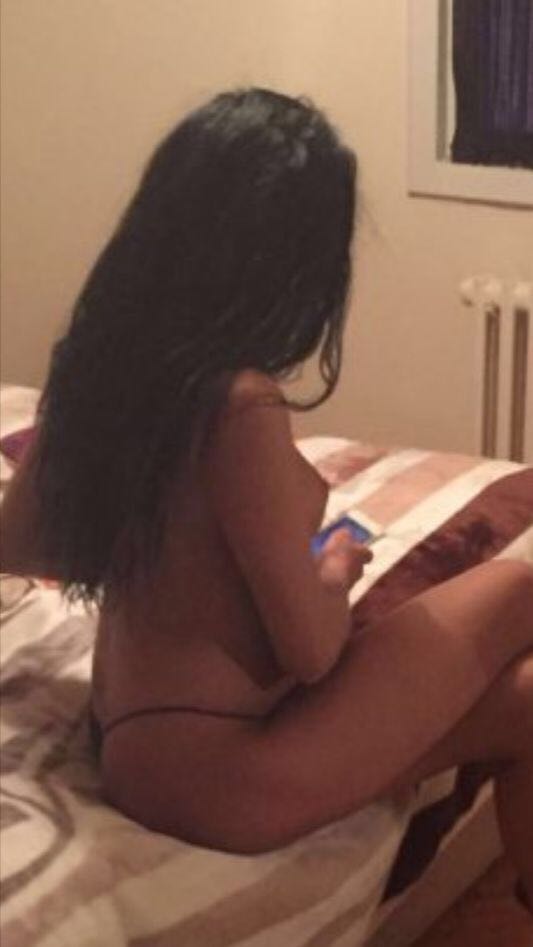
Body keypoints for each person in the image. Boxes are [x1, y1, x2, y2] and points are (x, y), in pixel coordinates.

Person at [1, 88, 532, 912]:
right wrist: (335, 563)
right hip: (224, 769)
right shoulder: (239, 404)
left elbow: (25, 544)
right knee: (517, 585)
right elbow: (313, 650)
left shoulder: (101, 369)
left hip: (146, 746)